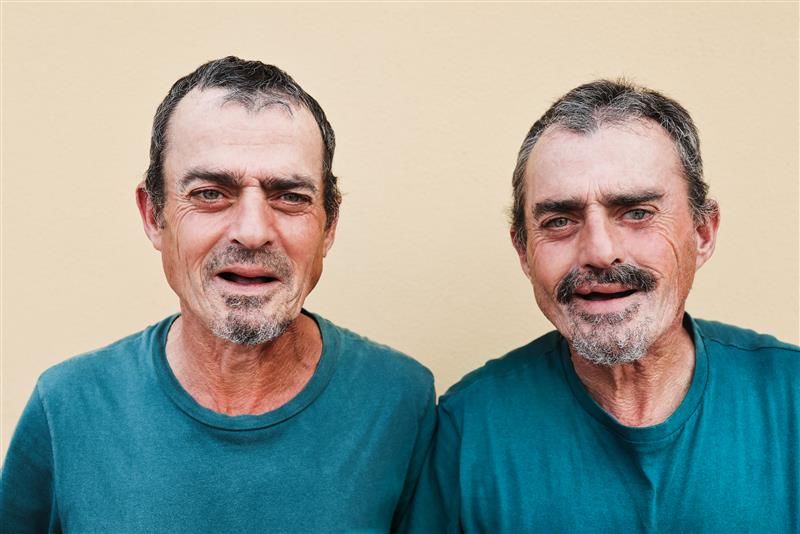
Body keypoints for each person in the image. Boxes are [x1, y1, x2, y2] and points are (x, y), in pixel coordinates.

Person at [1, 57, 435, 532]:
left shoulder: (401, 402)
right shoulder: (66, 407)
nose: (252, 232)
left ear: (328, 225)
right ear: (154, 217)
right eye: (210, 193)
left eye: (290, 196)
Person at [408, 80, 799, 532]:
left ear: (702, 232)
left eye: (637, 212)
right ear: (523, 250)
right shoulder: (470, 428)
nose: (599, 251)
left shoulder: (790, 397)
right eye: (559, 221)